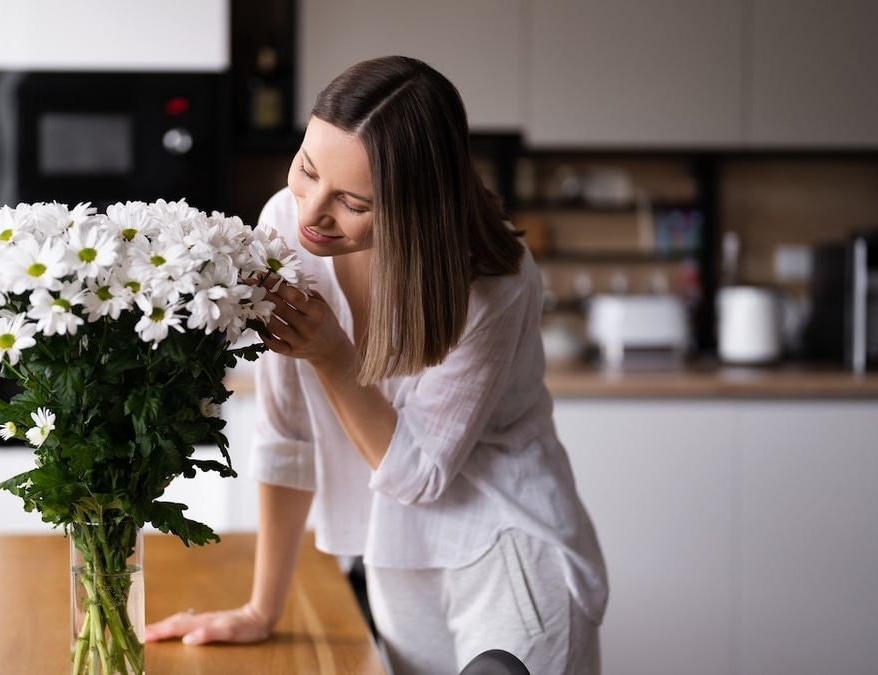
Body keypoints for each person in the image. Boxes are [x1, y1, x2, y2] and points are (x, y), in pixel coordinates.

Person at [144, 55, 607, 675]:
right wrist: (261, 610)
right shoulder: (285, 227)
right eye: (307, 170)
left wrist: (333, 355)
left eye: (353, 203)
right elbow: (288, 435)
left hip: (508, 552)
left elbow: (422, 474)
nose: (311, 213)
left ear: (418, 207)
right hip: (395, 554)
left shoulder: (491, 280)